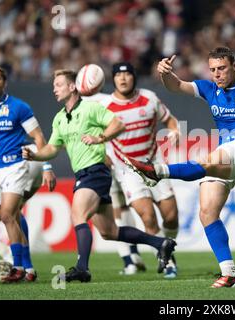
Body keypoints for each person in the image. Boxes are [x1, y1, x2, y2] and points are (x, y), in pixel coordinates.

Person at [124, 47, 235, 288]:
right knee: (207, 212)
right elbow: (176, 86)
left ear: (234, 66)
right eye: (212, 70)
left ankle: (157, 171)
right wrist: (165, 73)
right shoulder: (210, 88)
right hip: (228, 157)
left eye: (222, 68)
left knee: (209, 159)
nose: (217, 74)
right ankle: (230, 273)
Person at [22, 69, 176, 283]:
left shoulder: (91, 108)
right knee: (109, 231)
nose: (54, 89)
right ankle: (161, 244)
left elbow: (118, 125)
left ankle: (82, 268)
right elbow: (53, 148)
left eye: (58, 84)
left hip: (95, 171)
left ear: (72, 86)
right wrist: (36, 155)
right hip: (85, 173)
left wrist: (100, 138)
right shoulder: (60, 118)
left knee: (78, 215)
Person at [89, 62, 181, 278]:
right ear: (113, 79)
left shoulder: (149, 99)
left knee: (171, 217)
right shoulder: (104, 106)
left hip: (155, 164)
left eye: (127, 74)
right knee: (148, 217)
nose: (123, 79)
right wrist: (104, 156)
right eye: (118, 75)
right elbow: (96, 137)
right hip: (128, 170)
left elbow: (170, 120)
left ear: (134, 77)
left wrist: (175, 131)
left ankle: (168, 244)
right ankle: (168, 259)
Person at [0, 65, 55, 283]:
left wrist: (46, 166)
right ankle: (26, 267)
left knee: (6, 214)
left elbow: (39, 138)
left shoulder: (19, 107)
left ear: (4, 83)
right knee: (6, 216)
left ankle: (17, 267)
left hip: (16, 166)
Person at [0, 144, 56, 282]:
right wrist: (46, 166)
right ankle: (28, 268)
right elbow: (38, 138)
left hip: (12, 162)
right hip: (33, 155)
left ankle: (6, 266)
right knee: (13, 211)